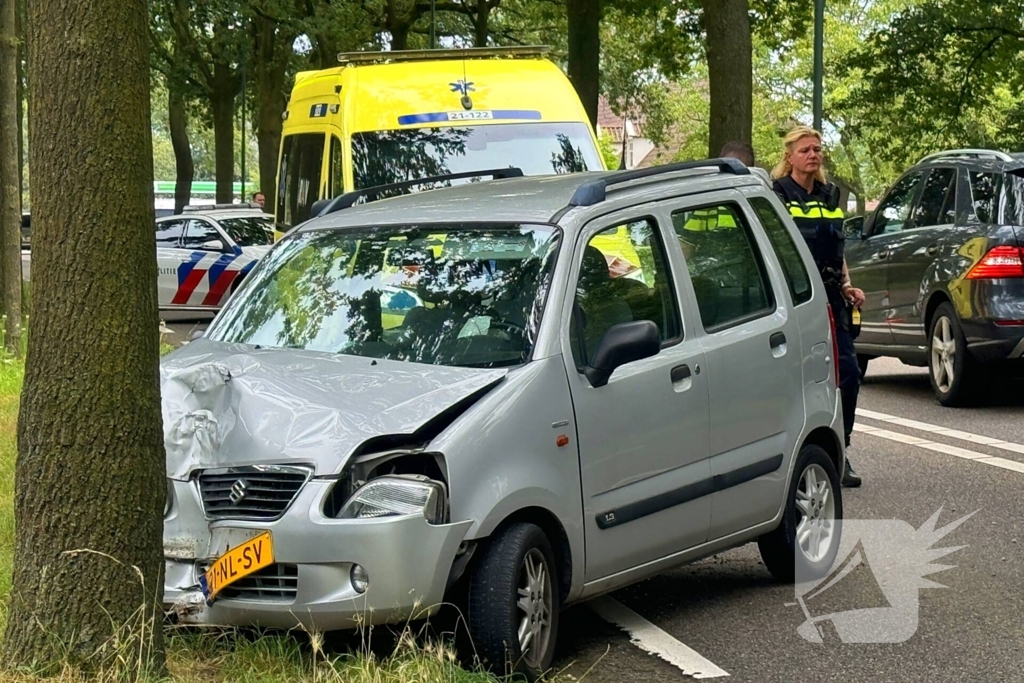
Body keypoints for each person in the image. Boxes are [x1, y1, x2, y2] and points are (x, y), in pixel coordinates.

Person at [771, 126, 864, 488]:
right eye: (805, 149)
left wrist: (847, 285)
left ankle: (842, 450)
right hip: (795, 302)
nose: (813, 154)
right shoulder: (778, 196)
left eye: (817, 149)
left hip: (831, 299)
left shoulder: (830, 197)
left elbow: (836, 250)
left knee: (848, 375)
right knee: (799, 380)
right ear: (790, 157)